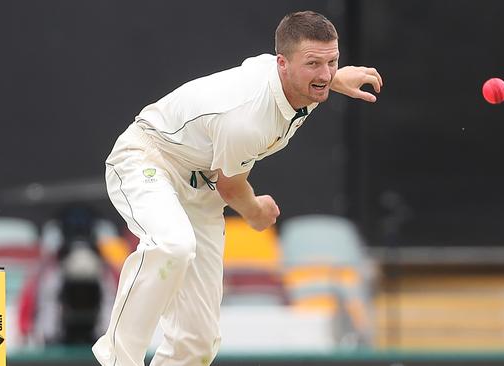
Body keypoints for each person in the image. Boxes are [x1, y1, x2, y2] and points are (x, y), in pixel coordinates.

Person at [92, 10, 382, 366]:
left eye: (332, 61)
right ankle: (117, 359)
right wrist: (256, 210)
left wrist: (337, 78)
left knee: (198, 343)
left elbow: (311, 75)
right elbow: (231, 188)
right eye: (313, 64)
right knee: (173, 245)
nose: (324, 74)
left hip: (201, 186)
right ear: (283, 64)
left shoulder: (298, 79)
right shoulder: (248, 117)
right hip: (148, 159)